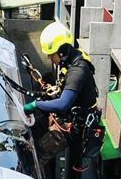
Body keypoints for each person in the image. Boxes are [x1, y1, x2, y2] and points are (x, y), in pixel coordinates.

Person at [23, 21, 102, 167]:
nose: (49, 59)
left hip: (71, 125)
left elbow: (63, 104)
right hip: (67, 116)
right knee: (32, 129)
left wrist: (35, 105)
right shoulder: (73, 59)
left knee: (34, 156)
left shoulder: (78, 71)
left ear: (61, 52)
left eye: (51, 55)